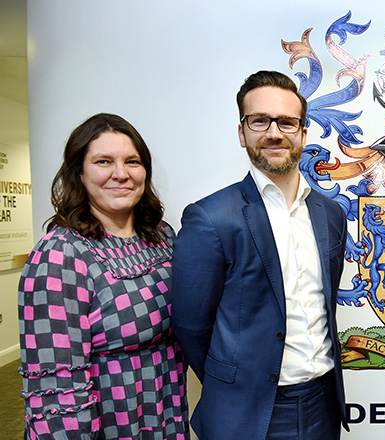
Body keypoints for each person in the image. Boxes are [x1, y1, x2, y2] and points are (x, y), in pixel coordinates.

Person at [170, 70, 348, 439]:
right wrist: (233, 383)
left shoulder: (331, 215)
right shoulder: (210, 218)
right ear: (242, 132)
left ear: (302, 132)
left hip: (323, 403)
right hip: (247, 413)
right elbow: (190, 325)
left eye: (286, 122)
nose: (274, 133)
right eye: (260, 120)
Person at [18, 113, 189, 439]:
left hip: (165, 409)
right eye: (103, 161)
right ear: (79, 173)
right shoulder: (60, 254)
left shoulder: (162, 236)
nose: (121, 174)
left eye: (132, 162)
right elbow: (55, 386)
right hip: (108, 420)